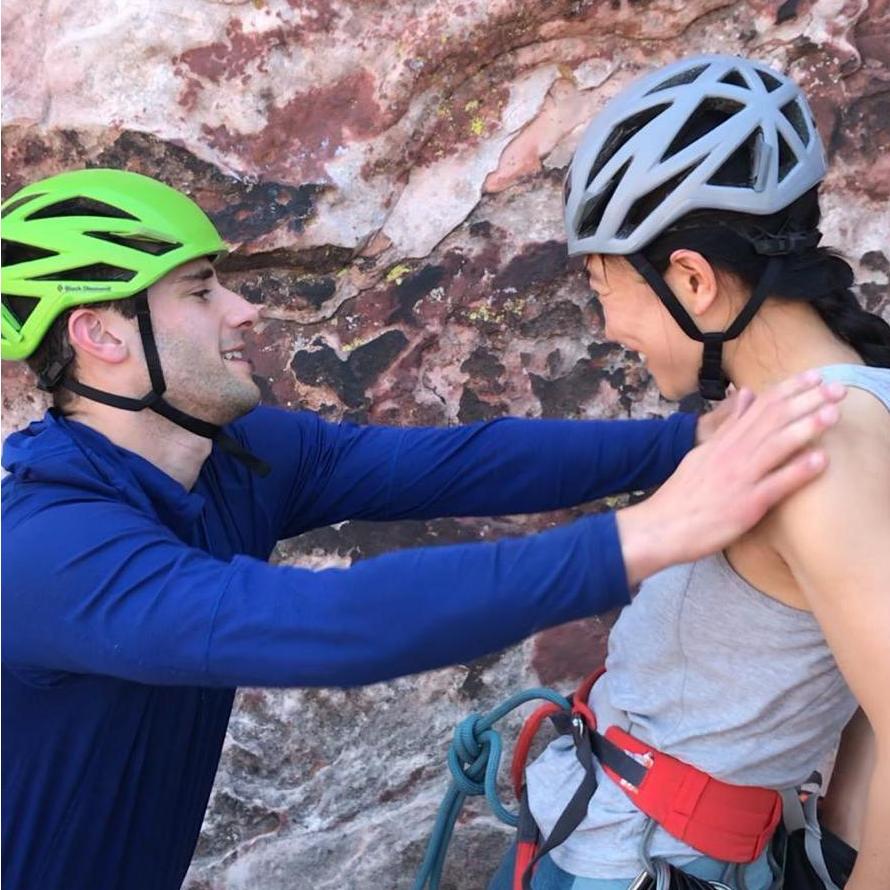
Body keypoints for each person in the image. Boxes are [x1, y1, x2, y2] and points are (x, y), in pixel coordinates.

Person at [0, 168, 844, 890]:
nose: (243, 309)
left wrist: (687, 441)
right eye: (199, 291)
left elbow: (461, 463)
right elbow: (329, 625)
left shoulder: (237, 457)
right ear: (100, 332)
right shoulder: (47, 551)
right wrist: (651, 535)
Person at [488, 53, 890, 890]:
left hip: (638, 861)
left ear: (693, 280)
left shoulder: (818, 452)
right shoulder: (818, 408)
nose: (607, 326)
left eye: (604, 287)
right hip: (624, 832)